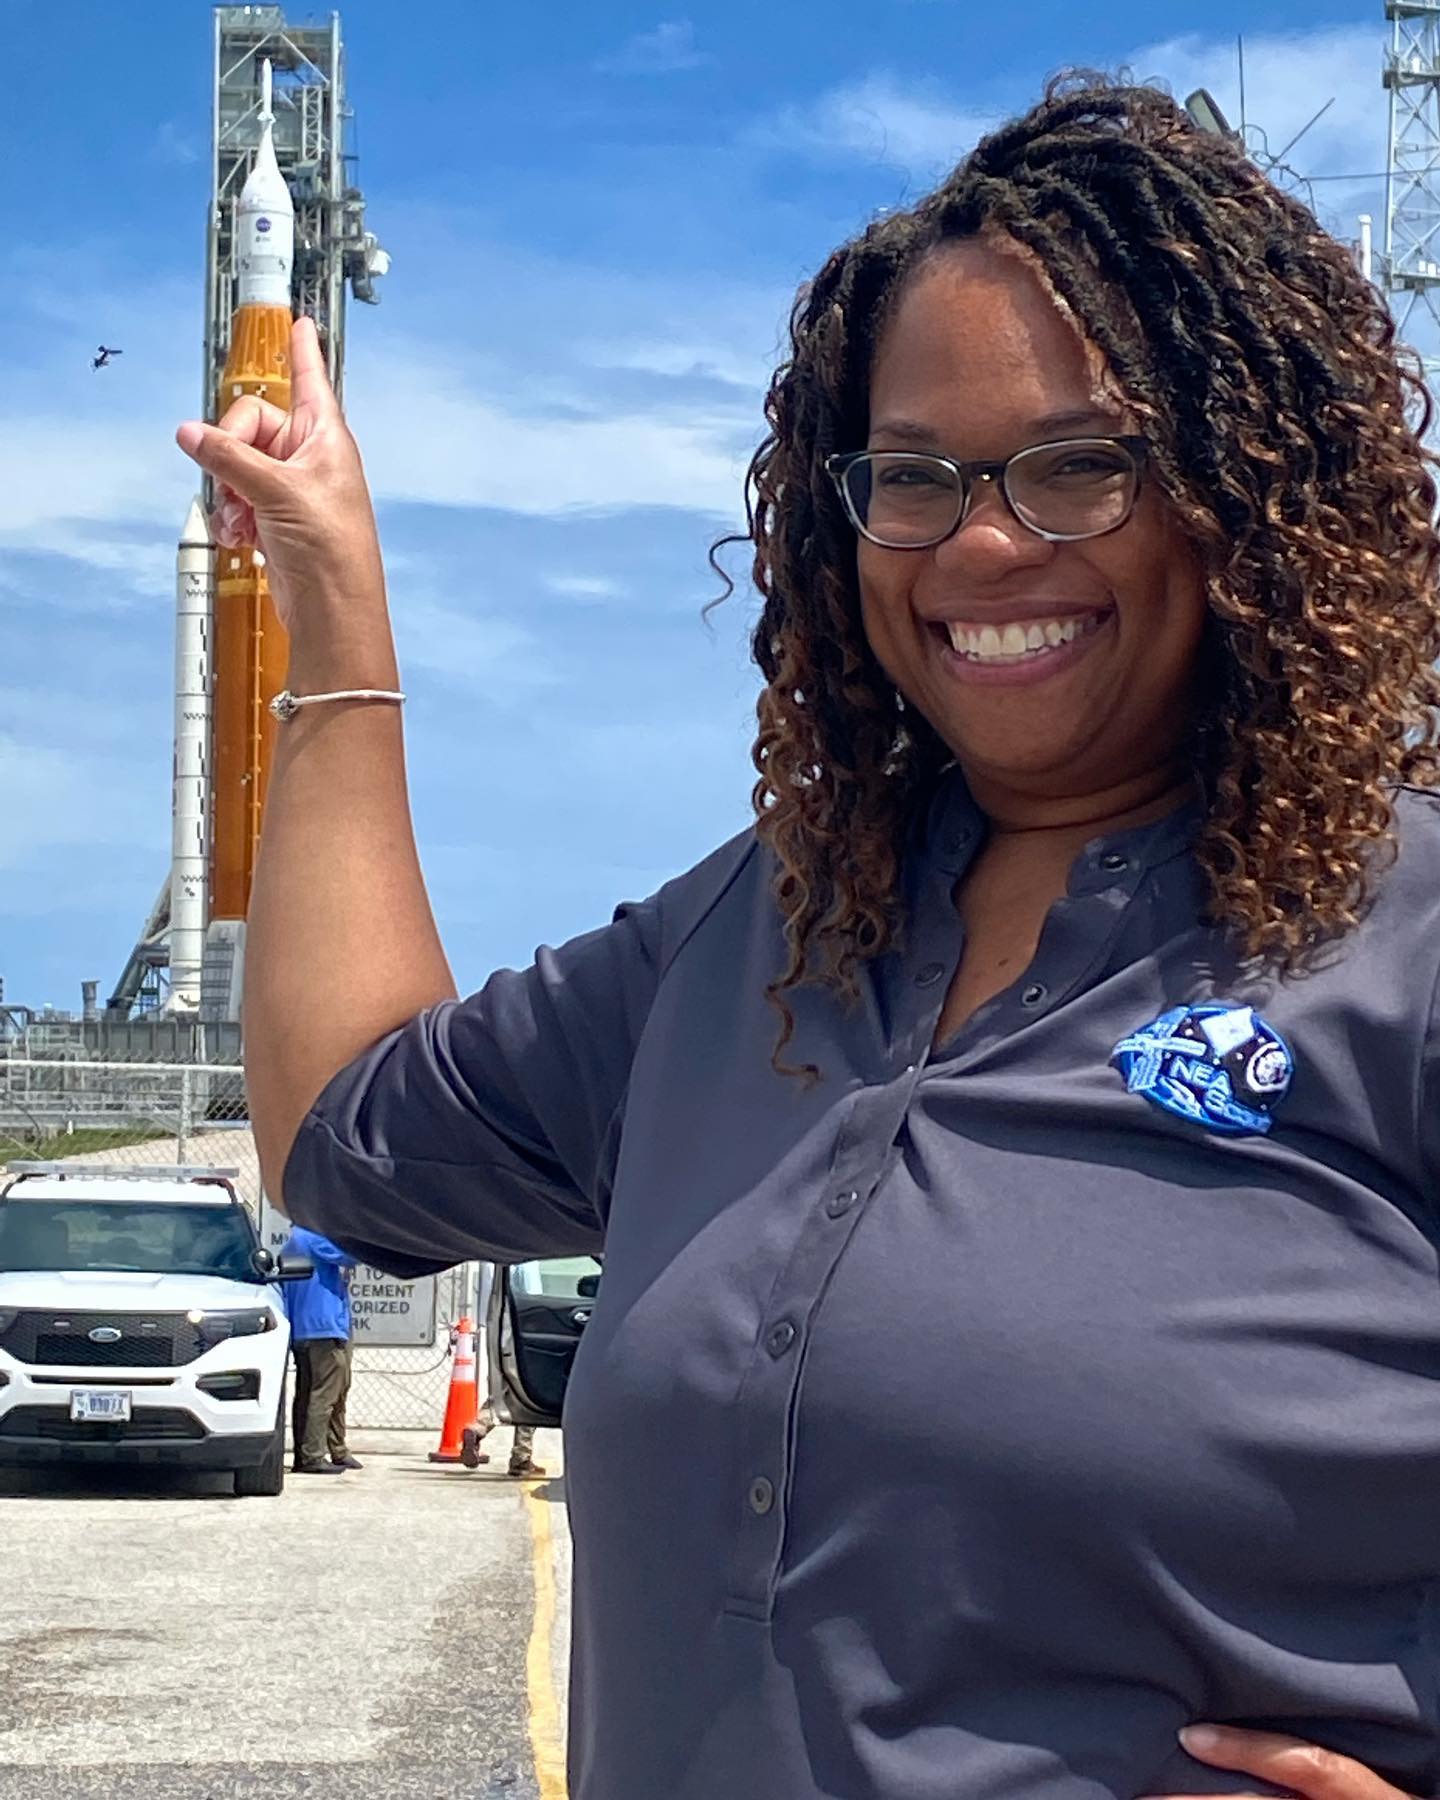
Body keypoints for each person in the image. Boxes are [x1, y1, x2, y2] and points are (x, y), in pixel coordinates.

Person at [174, 75, 1440, 1800]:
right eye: (911, 477)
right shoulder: (767, 931)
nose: (984, 540)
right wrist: (335, 611)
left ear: (1248, 493)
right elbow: (342, 1133)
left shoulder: (1401, 944)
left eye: (1080, 463)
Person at [282, 1223, 361, 1475]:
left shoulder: (291, 1245)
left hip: (305, 1328)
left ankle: (332, 1449)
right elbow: (351, 1255)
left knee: (311, 1392)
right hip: (324, 1326)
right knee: (325, 1394)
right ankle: (313, 1456)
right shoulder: (315, 1238)